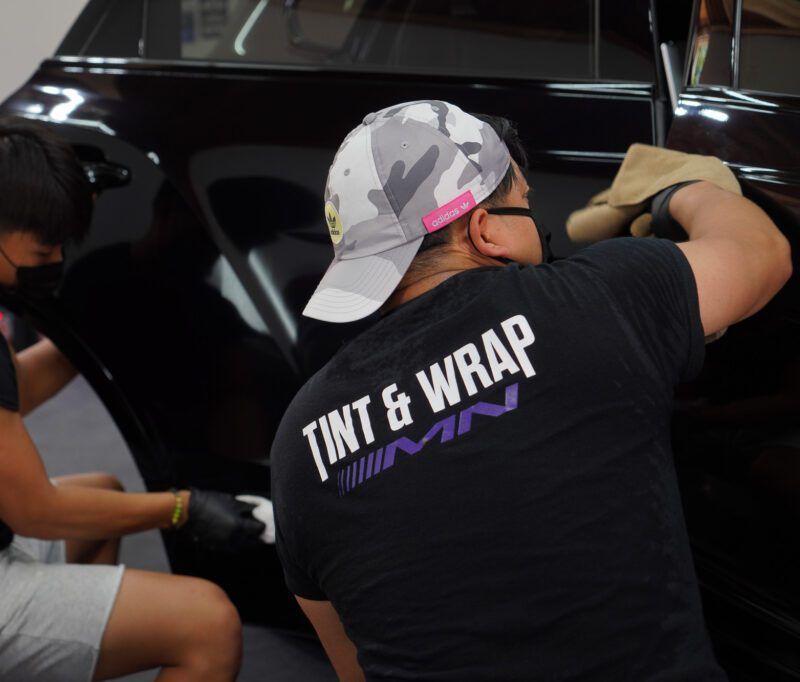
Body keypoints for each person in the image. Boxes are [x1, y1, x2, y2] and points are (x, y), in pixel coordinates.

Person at [270, 100, 791, 681]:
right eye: (524, 203)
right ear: (485, 229)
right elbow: (760, 254)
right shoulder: (590, 300)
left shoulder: (300, 441)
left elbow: (355, 667)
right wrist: (677, 190)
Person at [0, 116, 263, 681]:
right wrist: (182, 507)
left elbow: (4, 391)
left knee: (103, 499)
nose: (54, 260)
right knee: (209, 621)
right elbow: (35, 511)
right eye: (41, 250)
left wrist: (105, 336)